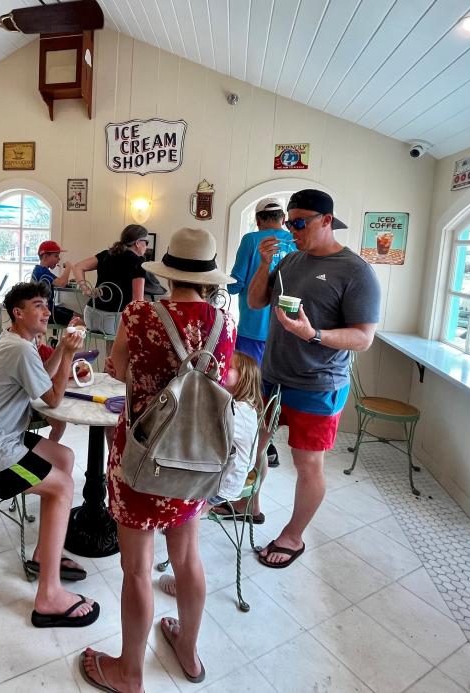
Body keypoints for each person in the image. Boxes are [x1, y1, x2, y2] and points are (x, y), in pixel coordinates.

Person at [80, 227, 235, 693]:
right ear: (208, 275)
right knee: (187, 559)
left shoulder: (140, 312)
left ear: (166, 271)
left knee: (137, 570)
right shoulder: (222, 322)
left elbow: (119, 370)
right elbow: (221, 378)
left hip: (142, 455)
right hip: (195, 454)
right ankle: (187, 649)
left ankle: (130, 673)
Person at [246, 189, 380, 569]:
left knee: (308, 464)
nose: (293, 229)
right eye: (290, 222)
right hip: (273, 376)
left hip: (319, 383)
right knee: (253, 443)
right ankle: (248, 505)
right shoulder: (290, 260)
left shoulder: (356, 271)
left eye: (300, 222)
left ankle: (293, 536)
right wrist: (264, 264)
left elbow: (363, 337)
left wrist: (314, 335)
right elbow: (257, 302)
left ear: (326, 220)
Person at [0, 281, 99, 627]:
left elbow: (42, 383)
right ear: (18, 313)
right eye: (38, 305)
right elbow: (53, 399)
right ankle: (49, 595)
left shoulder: (17, 342)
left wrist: (62, 354)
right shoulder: (20, 349)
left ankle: (43, 554)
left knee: (63, 458)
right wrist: (66, 353)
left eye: (46, 305)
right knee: (63, 485)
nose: (47, 311)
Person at [157, 350, 262, 598]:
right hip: (235, 477)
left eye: (231, 367)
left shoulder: (233, 412)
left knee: (178, 518)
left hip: (221, 487)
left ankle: (182, 581)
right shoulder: (245, 407)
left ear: (244, 378)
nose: (224, 368)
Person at [227, 198, 293, 469]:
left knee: (247, 388)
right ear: (282, 218)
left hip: (253, 329)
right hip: (286, 332)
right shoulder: (294, 241)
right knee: (273, 390)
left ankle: (244, 445)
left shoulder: (252, 240)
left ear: (258, 219)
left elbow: (235, 284)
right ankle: (269, 444)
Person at [72, 224, 149, 317]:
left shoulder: (106, 254)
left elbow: (77, 267)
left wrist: (85, 289)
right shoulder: (139, 262)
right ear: (137, 242)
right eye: (146, 242)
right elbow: (137, 301)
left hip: (91, 313)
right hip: (116, 318)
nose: (147, 246)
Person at [31, 240, 75, 327]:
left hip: (44, 309)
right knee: (78, 319)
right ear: (45, 256)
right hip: (45, 312)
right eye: (56, 256)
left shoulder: (40, 270)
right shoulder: (43, 272)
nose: (58, 259)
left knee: (75, 314)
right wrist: (68, 267)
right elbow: (62, 283)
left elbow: (58, 282)